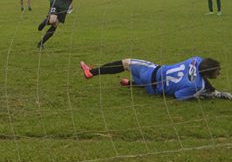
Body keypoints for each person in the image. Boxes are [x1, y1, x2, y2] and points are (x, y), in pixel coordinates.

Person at [80, 56, 232, 100]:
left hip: (152, 72)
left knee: (126, 63)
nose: (219, 74)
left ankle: (92, 72)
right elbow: (178, 95)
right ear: (207, 75)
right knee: (161, 85)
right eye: (217, 72)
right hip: (153, 89)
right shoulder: (198, 85)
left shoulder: (196, 59)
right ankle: (132, 83)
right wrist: (199, 94)